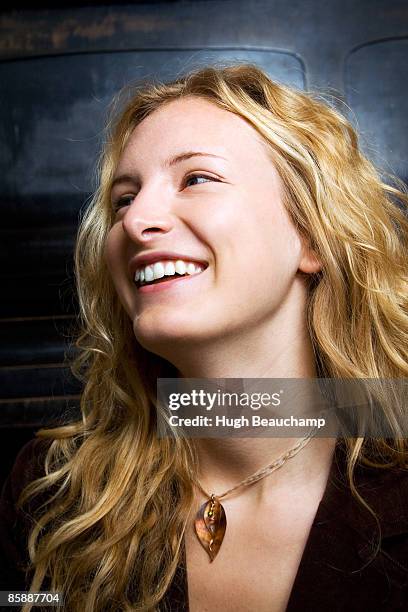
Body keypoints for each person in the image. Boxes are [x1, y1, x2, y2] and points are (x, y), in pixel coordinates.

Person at [0, 62, 407, 612]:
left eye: (196, 178)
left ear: (312, 236)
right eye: (123, 198)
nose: (136, 219)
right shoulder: (50, 491)